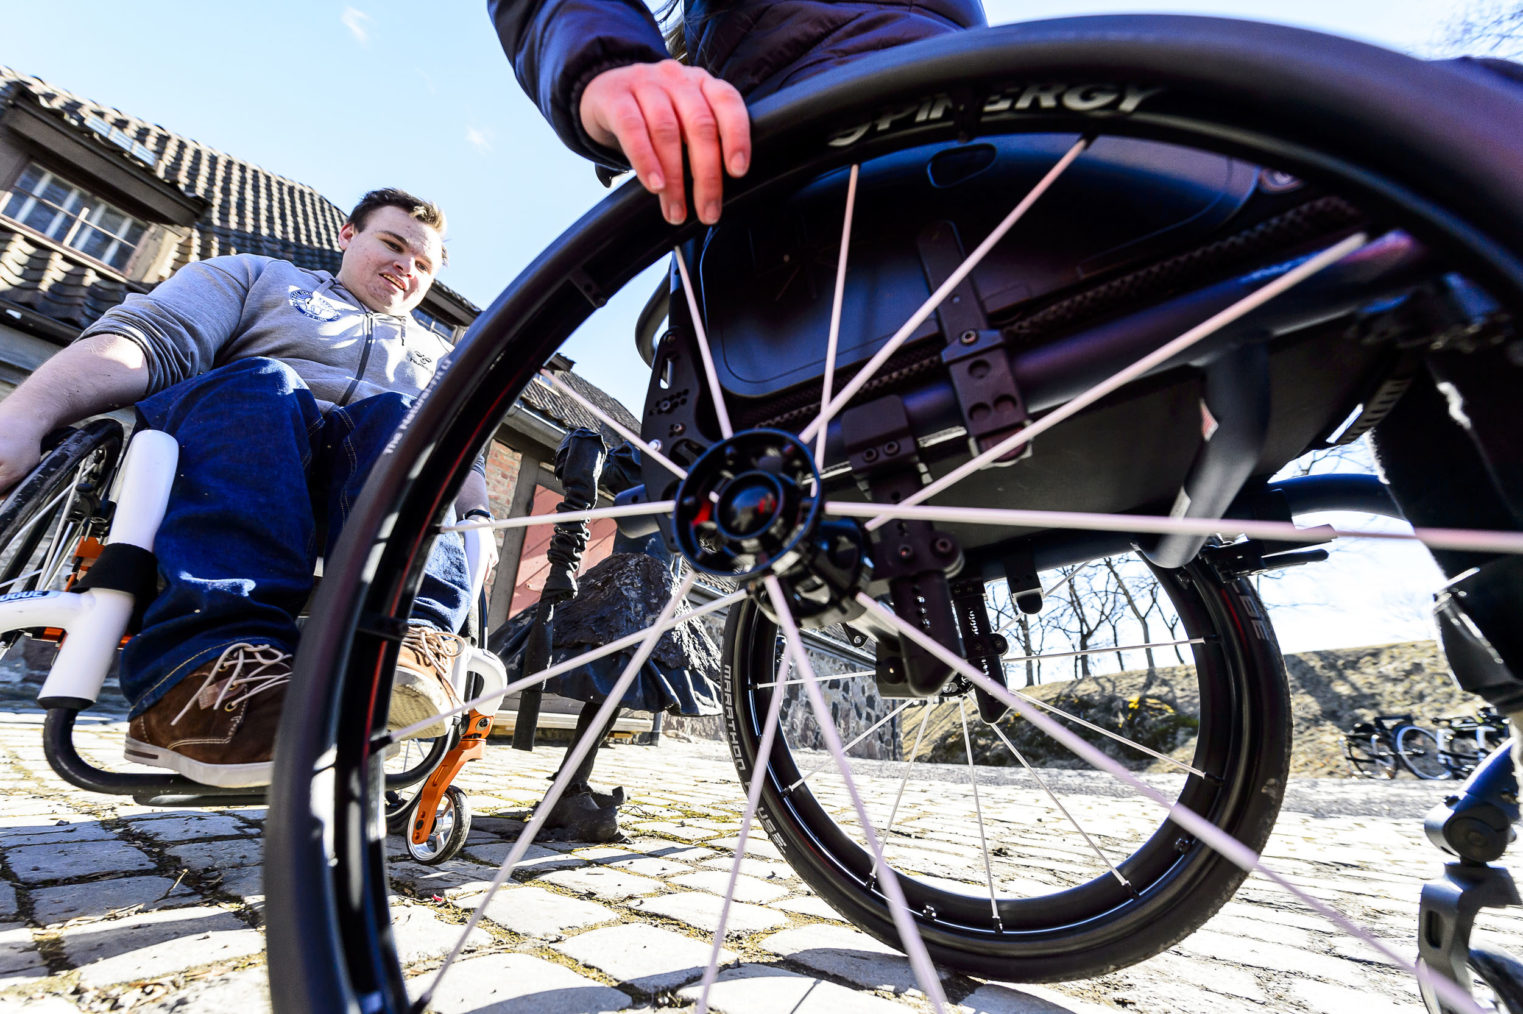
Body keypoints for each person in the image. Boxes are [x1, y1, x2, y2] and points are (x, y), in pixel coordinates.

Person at [0, 188, 494, 788]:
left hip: (370, 485)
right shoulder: (257, 277)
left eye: (424, 265)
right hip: (238, 450)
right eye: (392, 244)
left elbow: (465, 464)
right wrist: (26, 414)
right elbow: (147, 340)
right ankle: (210, 674)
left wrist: (480, 522)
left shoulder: (442, 358)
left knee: (405, 422)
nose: (406, 267)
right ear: (346, 234)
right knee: (263, 381)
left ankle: (405, 649)